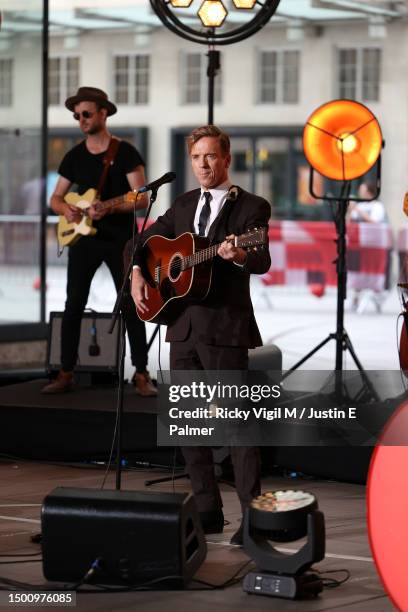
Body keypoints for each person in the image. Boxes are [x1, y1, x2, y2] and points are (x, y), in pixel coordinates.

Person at [130, 125, 271, 545]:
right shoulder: (183, 203)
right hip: (182, 328)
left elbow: (260, 258)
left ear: (226, 159)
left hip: (224, 329)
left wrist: (239, 252)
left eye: (211, 156)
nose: (204, 165)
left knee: (236, 429)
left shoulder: (251, 206)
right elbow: (142, 242)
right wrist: (139, 271)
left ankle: (255, 519)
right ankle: (207, 510)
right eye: (196, 158)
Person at [42, 86, 156, 396]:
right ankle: (66, 372)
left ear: (103, 113)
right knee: (73, 303)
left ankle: (142, 374)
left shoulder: (126, 153)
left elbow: (143, 198)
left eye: (87, 113)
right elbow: (55, 198)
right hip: (83, 241)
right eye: (77, 115)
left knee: (132, 303)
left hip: (122, 241)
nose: (81, 119)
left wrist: (110, 206)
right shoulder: (74, 156)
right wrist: (67, 209)